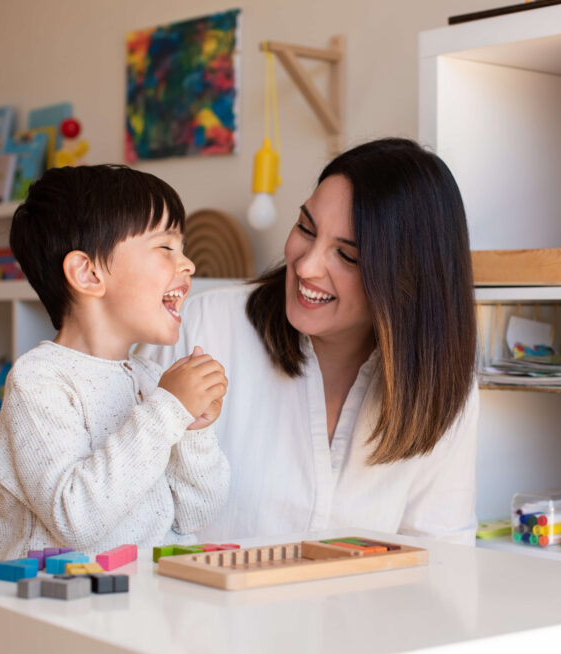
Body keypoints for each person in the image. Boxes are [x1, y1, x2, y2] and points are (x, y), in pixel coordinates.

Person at [142, 138, 478, 545]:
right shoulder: (201, 328)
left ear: (408, 280)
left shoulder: (440, 383)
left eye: (348, 256)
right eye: (306, 228)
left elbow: (439, 557)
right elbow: (125, 521)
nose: (306, 265)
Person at [0, 165, 230, 561]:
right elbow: (75, 518)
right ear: (88, 273)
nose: (188, 264)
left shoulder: (152, 378)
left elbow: (195, 514)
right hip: (60, 609)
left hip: (146, 605)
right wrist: (169, 410)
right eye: (166, 248)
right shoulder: (38, 381)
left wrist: (194, 429)